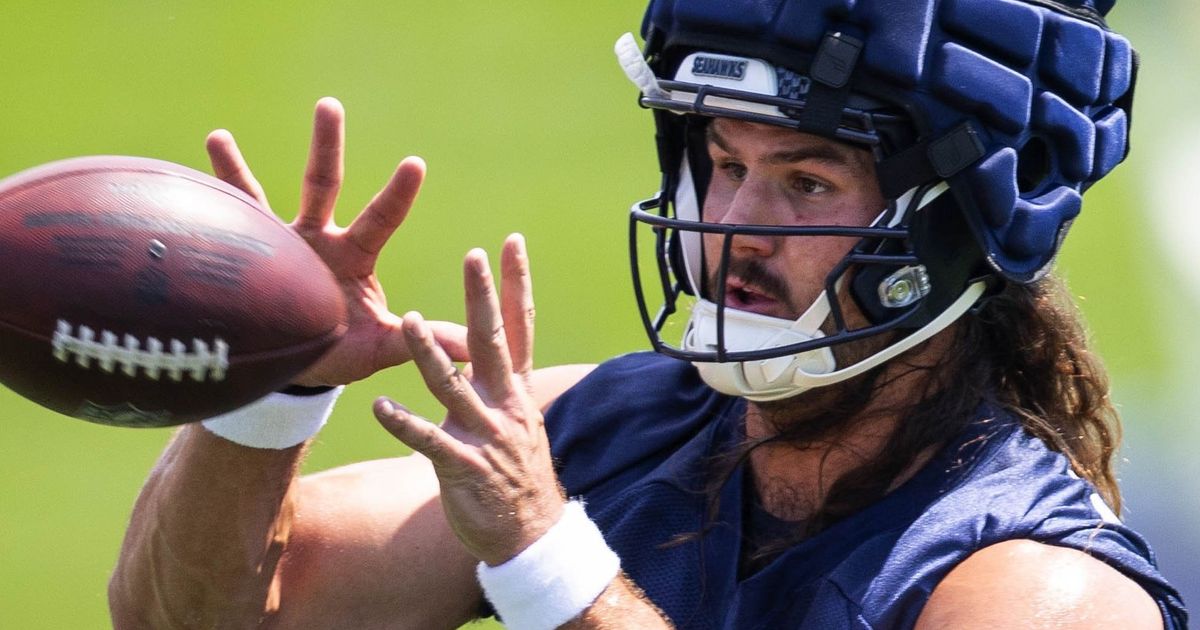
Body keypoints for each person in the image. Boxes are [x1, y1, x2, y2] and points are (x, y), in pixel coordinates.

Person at [108, 0, 1188, 627]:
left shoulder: (1044, 595)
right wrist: (272, 390)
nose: (733, 228)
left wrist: (546, 558)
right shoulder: (616, 432)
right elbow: (192, 615)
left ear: (957, 228)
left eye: (805, 183)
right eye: (721, 163)